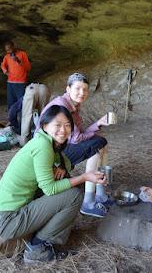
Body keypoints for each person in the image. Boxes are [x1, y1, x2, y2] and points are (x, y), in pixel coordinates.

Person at [0, 105, 106, 264]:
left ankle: (42, 237)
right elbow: (50, 189)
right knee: (73, 195)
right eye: (57, 125)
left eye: (67, 125)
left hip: (7, 213)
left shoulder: (47, 143)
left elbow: (63, 165)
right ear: (44, 125)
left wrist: (59, 168)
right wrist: (85, 177)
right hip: (9, 220)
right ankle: (37, 249)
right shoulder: (42, 146)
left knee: (68, 187)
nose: (63, 130)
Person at [38, 73, 111, 218]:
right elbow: (77, 138)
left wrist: (99, 124)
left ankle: (100, 193)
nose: (82, 93)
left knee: (99, 143)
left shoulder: (73, 106)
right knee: (96, 146)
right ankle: (88, 202)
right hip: (49, 155)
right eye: (77, 88)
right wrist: (56, 163)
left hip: (58, 148)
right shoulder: (62, 106)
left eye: (85, 90)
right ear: (68, 89)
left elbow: (78, 134)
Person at [1, 41, 31, 110]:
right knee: (10, 102)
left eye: (9, 49)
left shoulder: (22, 54)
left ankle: (21, 119)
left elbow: (28, 68)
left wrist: (18, 61)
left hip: (21, 82)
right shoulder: (7, 56)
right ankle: (12, 120)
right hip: (10, 83)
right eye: (7, 50)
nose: (8, 51)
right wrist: (6, 72)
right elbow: (3, 65)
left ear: (13, 47)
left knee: (21, 102)